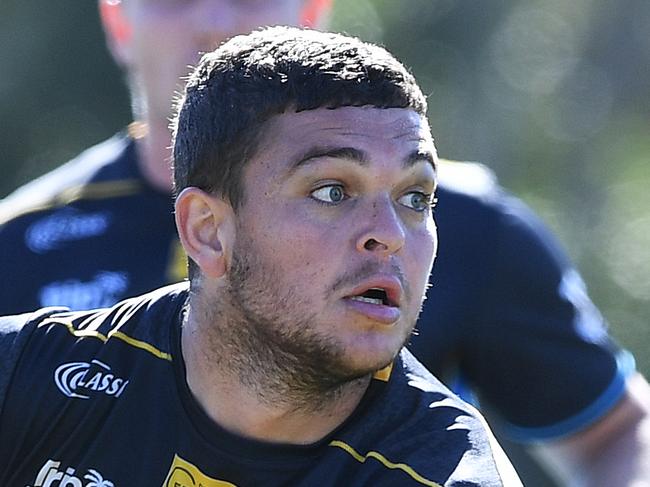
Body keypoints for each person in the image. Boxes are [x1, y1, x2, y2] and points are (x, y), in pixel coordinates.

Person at [0, 1, 647, 485]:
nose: (215, 17)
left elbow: (618, 432)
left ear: (313, 9)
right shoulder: (20, 251)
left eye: (416, 198)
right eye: (331, 192)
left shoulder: (477, 228)